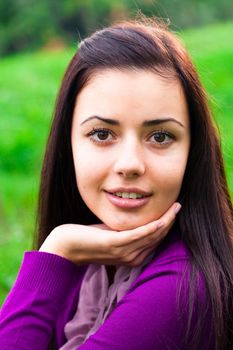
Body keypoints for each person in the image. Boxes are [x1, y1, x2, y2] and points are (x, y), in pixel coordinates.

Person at [0, 17, 233, 350]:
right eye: (102, 134)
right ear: (69, 145)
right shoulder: (91, 258)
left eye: (161, 136)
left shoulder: (185, 287)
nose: (130, 164)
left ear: (192, 152)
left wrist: (54, 252)